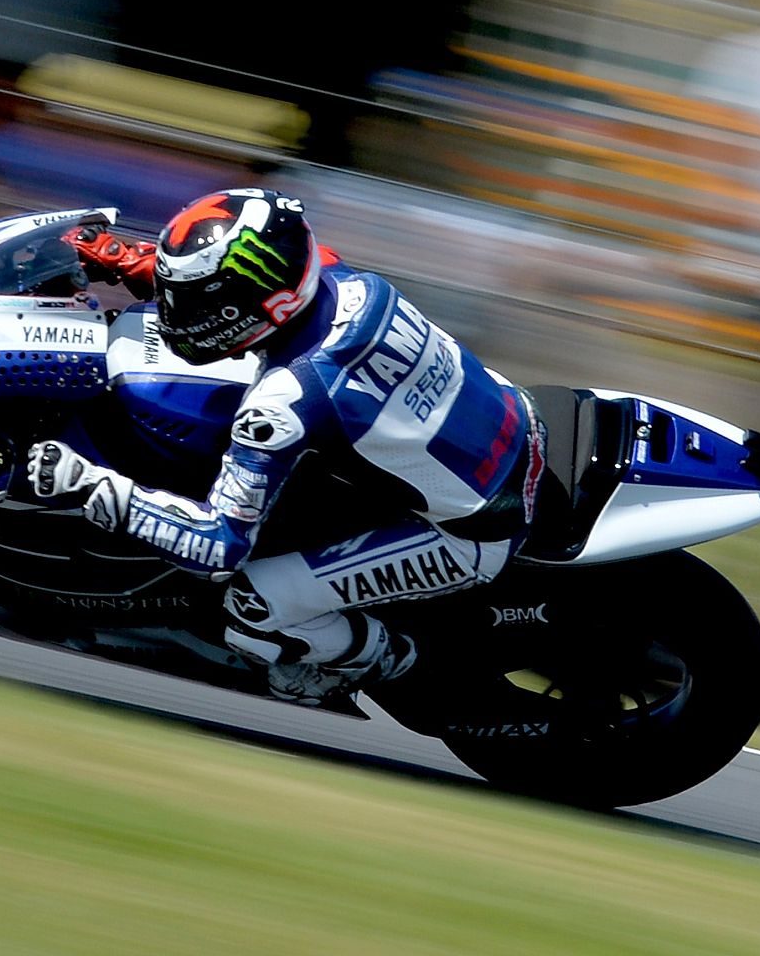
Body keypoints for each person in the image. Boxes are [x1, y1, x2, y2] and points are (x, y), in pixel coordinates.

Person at [27, 188, 545, 704]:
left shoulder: (285, 401)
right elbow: (240, 289)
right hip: (511, 426)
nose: (178, 312)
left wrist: (96, 488)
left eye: (201, 298)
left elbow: (218, 546)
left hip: (472, 532)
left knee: (253, 608)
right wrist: (128, 258)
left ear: (262, 298)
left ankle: (397, 665)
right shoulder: (338, 277)